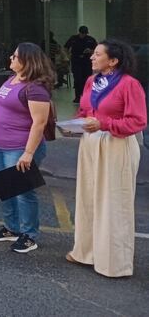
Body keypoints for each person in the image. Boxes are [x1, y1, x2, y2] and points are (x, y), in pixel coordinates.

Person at [68, 39, 146, 277]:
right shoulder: (92, 81)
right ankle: (87, 252)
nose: (91, 57)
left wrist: (104, 123)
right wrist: (74, 123)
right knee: (88, 199)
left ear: (113, 61)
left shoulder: (129, 85)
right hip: (90, 144)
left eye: (98, 54)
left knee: (113, 203)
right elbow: (85, 111)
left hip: (116, 144)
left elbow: (137, 121)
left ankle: (114, 262)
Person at [0, 43, 54, 253]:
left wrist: (28, 153)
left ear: (27, 60)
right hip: (1, 145)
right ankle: (12, 228)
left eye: (15, 56)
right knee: (6, 189)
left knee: (23, 192)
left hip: (20, 147)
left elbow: (39, 123)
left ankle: (29, 234)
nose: (11, 57)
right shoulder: (12, 80)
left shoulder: (35, 88)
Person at [65, 26, 98, 103]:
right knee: (77, 79)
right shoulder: (73, 38)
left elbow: (97, 50)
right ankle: (78, 97)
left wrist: (90, 51)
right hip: (76, 61)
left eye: (85, 33)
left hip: (87, 61)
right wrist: (67, 56)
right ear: (79, 32)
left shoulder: (90, 40)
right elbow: (66, 47)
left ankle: (86, 96)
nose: (83, 35)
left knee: (86, 79)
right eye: (82, 33)